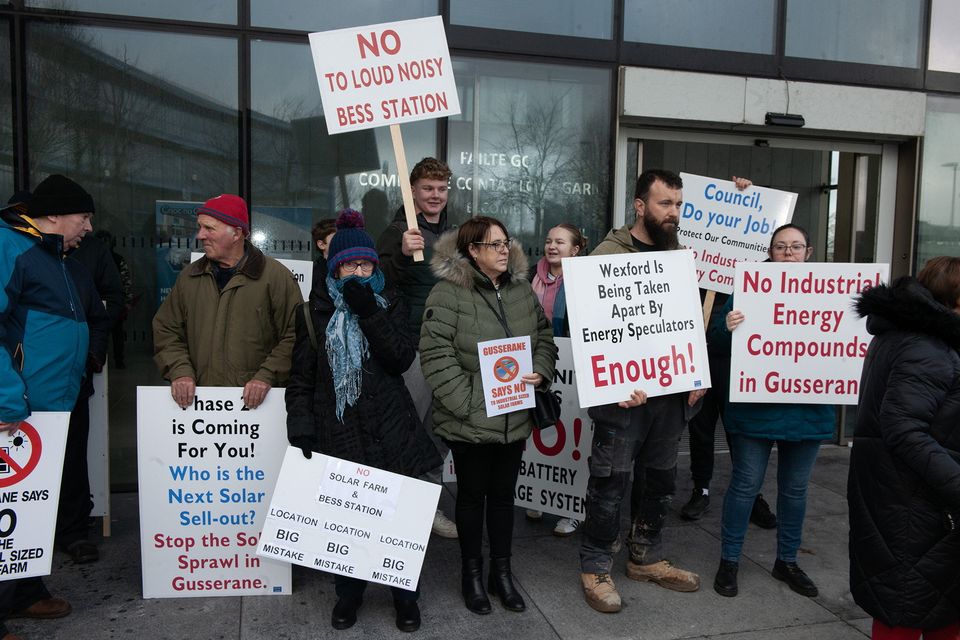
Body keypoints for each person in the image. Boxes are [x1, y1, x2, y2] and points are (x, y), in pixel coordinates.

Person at [579, 169, 749, 613]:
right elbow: (587, 328)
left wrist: (694, 374)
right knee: (610, 481)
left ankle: (645, 556)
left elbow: (686, 322)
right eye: (664, 204)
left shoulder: (681, 256)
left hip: (671, 398)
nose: (674, 213)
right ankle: (595, 565)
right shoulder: (605, 255)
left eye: (678, 204)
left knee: (660, 481)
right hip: (623, 401)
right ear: (640, 205)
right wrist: (615, 382)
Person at [286, 209, 439, 633]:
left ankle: (405, 597)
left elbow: (401, 358)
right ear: (334, 267)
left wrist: (369, 310)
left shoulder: (389, 302)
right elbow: (300, 378)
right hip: (340, 432)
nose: (358, 271)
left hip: (391, 428)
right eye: (349, 264)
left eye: (366, 263)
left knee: (396, 522)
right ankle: (348, 595)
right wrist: (299, 423)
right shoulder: (311, 313)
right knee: (347, 524)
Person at [420, 216, 557, 615]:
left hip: (514, 416)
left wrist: (541, 371)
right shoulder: (446, 294)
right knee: (472, 497)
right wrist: (469, 406)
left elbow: (544, 339)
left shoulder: (520, 291)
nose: (503, 249)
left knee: (502, 499)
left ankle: (502, 573)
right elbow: (436, 357)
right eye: (492, 244)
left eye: (505, 242)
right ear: (472, 252)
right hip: (468, 421)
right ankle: (472, 574)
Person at [0, 174, 105, 639]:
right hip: (17, 409)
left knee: (26, 506)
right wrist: (6, 397)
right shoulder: (11, 248)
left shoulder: (52, 254)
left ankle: (24, 592)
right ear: (55, 215)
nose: (87, 227)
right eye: (83, 218)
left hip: (47, 408)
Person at [709, 223, 834, 599]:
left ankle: (787, 561)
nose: (788, 253)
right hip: (755, 407)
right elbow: (713, 339)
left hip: (807, 407)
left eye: (796, 247)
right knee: (746, 484)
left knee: (794, 490)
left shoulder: (830, 292)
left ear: (809, 252)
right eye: (781, 247)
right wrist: (726, 326)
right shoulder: (747, 288)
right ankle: (729, 561)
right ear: (770, 251)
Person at [849, 257, 960, 640]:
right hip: (919, 502)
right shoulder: (927, 347)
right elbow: (905, 430)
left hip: (906, 497)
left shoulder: (909, 335)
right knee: (912, 605)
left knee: (921, 602)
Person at [153, 194, 303, 410]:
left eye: (209, 228)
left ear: (237, 233)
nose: (200, 235)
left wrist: (266, 376)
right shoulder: (189, 277)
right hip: (201, 410)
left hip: (259, 411)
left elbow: (295, 335)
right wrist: (180, 370)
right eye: (200, 227)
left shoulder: (275, 278)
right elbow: (166, 329)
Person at [377, 157, 458, 539]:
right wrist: (400, 256)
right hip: (413, 349)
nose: (436, 196)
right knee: (405, 431)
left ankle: (427, 506)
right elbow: (373, 285)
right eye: (428, 188)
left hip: (451, 349)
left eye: (441, 189)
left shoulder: (458, 233)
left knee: (439, 433)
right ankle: (394, 511)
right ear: (412, 191)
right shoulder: (396, 232)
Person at [679, 289, 778, 530]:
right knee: (700, 429)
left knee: (740, 431)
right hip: (698, 352)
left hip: (738, 358)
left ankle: (751, 494)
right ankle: (700, 490)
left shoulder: (752, 268)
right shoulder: (693, 259)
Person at [57, 228, 123, 565]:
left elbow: (102, 314)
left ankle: (73, 532)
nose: (88, 227)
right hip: (20, 388)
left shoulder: (80, 266)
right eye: (82, 217)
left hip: (72, 382)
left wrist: (93, 354)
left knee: (72, 457)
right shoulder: (16, 257)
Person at [525, 223, 586, 536]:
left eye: (560, 242)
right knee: (537, 429)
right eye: (548, 240)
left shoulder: (583, 281)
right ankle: (536, 493)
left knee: (572, 435)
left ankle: (572, 508)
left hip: (571, 366)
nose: (552, 246)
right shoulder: (530, 277)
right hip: (537, 363)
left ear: (575, 250)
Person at [310, 217, 336, 289]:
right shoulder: (315, 275)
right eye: (336, 238)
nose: (342, 241)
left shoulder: (349, 269)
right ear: (321, 245)